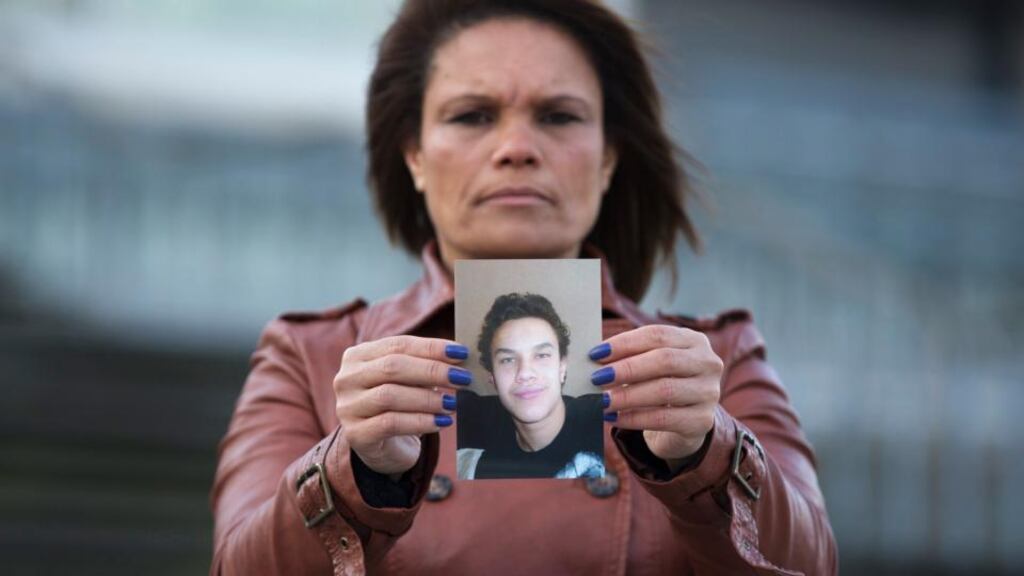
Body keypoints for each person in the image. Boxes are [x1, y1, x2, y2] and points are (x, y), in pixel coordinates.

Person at [210, 1, 838, 574]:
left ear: (609, 158)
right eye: (472, 115)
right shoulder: (311, 356)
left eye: (559, 116)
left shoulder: (717, 358)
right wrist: (357, 472)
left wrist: (708, 449)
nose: (516, 147)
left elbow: (811, 564)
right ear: (415, 156)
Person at [456, 292, 604, 480]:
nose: (525, 374)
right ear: (492, 377)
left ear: (562, 367)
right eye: (508, 360)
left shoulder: (602, 418)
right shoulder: (469, 423)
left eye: (542, 355)